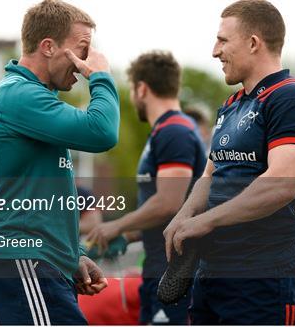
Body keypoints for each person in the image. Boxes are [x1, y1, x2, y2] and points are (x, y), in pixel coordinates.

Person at [164, 0, 295, 325]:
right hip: (212, 275)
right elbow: (211, 172)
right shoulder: (232, 104)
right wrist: (185, 214)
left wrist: (207, 221)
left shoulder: (291, 97)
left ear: (253, 43)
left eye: (223, 40)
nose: (214, 51)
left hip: (262, 277)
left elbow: (282, 185)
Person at [0, 0, 119, 325]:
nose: (85, 61)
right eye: (82, 49)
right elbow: (102, 132)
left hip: (37, 263)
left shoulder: (32, 100)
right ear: (48, 46)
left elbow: (40, 197)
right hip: (24, 262)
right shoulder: (19, 95)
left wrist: (73, 256)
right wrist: (101, 77)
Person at [87, 51, 207, 324]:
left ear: (142, 88)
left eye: (131, 89)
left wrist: (115, 226)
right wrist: (127, 236)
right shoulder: (164, 131)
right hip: (157, 272)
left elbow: (168, 202)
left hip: (174, 277)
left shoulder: (175, 131)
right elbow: (163, 214)